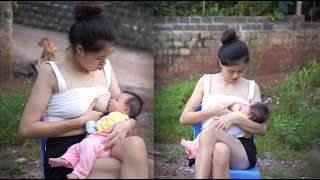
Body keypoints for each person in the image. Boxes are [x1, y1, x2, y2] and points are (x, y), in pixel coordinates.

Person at [18, 1, 152, 179]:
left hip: (101, 143)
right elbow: (26, 129)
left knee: (136, 146)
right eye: (99, 58)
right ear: (80, 49)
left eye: (107, 57)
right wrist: (79, 121)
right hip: (66, 154)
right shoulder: (51, 72)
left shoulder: (105, 68)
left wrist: (126, 124)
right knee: (142, 168)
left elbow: (126, 109)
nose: (103, 63)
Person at [179, 28, 267, 179]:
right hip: (209, 149)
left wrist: (234, 118)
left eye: (241, 71)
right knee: (220, 149)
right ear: (220, 63)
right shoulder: (205, 82)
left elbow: (262, 129)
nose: (235, 75)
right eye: (231, 71)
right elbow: (184, 118)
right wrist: (211, 112)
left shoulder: (252, 87)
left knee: (209, 133)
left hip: (240, 149)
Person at [48, 91, 143, 179]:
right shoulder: (115, 115)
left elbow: (103, 125)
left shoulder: (117, 116)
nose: (111, 99)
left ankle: (80, 173)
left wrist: (92, 125)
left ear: (126, 109)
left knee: (87, 147)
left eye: (116, 99)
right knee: (76, 148)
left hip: (102, 142)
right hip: (94, 141)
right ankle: (67, 160)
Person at [181, 102, 270, 162]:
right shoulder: (248, 128)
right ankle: (194, 146)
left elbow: (225, 119)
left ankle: (194, 146)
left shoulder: (238, 115)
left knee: (208, 133)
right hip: (231, 143)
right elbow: (246, 134)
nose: (244, 105)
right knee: (214, 142)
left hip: (219, 135)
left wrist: (219, 117)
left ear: (248, 111)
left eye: (246, 105)